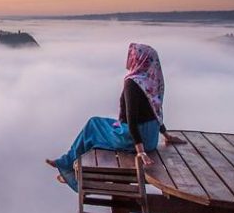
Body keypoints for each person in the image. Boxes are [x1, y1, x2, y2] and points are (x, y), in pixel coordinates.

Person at [44, 43, 183, 191]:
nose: (129, 59)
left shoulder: (133, 83)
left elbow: (132, 119)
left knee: (93, 124)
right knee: (99, 127)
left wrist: (140, 151)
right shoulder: (153, 81)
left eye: (132, 56)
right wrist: (165, 134)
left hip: (135, 138)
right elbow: (156, 111)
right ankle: (70, 167)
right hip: (152, 139)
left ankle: (67, 165)